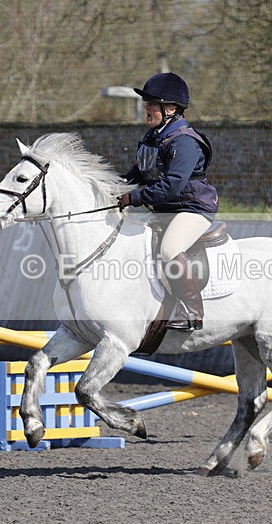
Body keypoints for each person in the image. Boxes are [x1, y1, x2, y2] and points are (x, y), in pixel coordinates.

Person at [117, 72, 218, 332]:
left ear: (170, 108)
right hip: (165, 209)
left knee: (170, 249)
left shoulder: (184, 141)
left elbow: (173, 184)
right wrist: (115, 189)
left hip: (191, 208)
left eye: (152, 104)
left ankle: (193, 313)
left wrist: (135, 197)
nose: (146, 108)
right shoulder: (154, 137)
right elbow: (139, 172)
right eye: (147, 103)